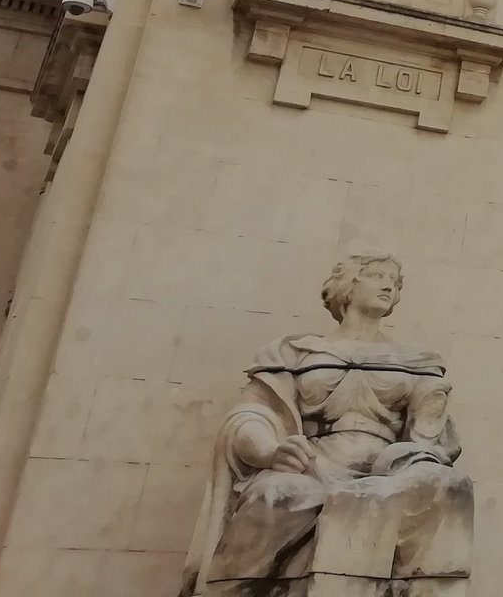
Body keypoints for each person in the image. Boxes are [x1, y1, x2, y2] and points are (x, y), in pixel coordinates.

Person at [179, 253, 473, 595]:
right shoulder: (294, 353)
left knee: (447, 484)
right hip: (307, 464)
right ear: (348, 284)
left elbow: (428, 435)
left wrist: (425, 423)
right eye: (377, 275)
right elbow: (250, 415)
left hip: (390, 468)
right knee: (277, 495)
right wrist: (271, 451)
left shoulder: (417, 360)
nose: (389, 286)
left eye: (395, 281)